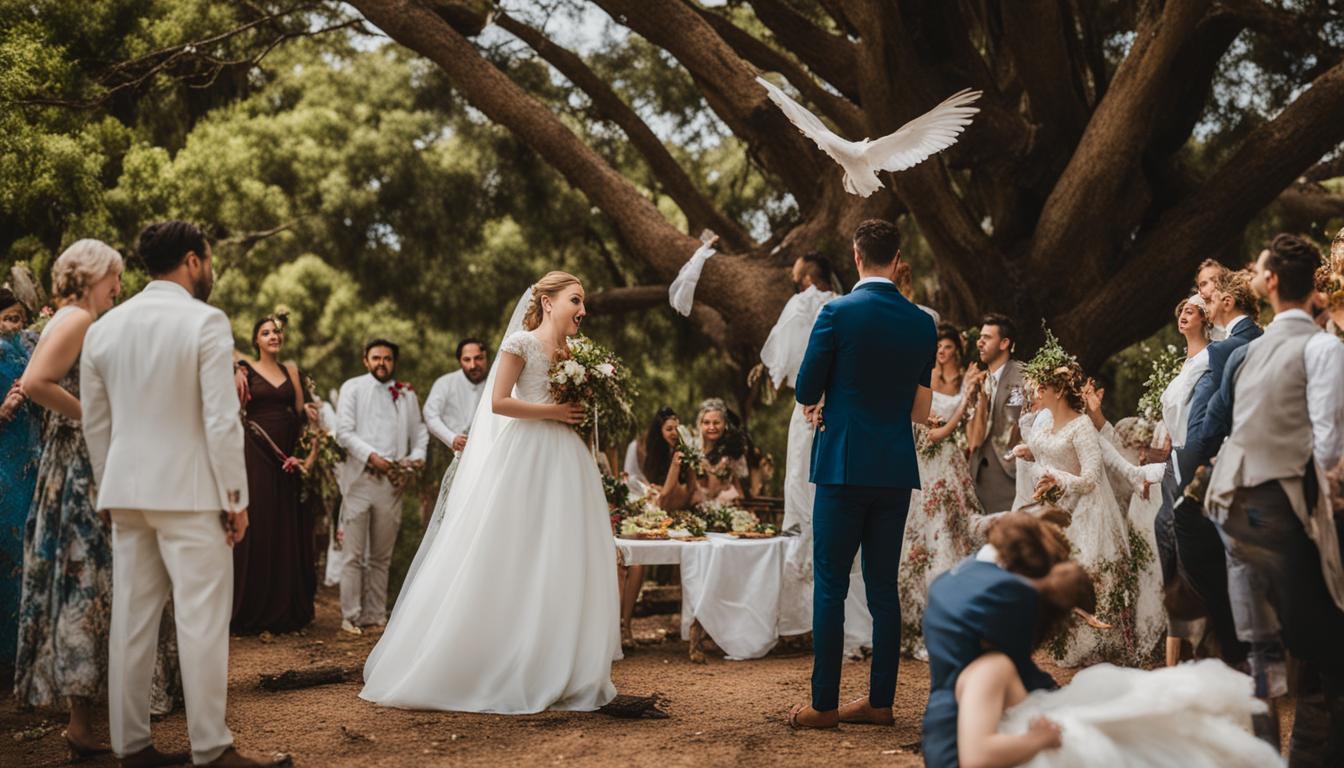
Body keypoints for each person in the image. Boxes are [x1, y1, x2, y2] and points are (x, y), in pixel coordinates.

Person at [361, 271, 620, 714]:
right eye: (576, 300)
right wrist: (555, 410)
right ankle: (496, 655)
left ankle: (563, 661)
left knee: (563, 554)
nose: (583, 310)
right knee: (512, 552)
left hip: (568, 460)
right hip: (527, 454)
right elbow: (499, 402)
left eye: (584, 303)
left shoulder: (577, 352)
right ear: (549, 301)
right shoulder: (520, 343)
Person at [82, 222, 286, 767]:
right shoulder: (205, 321)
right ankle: (212, 748)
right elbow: (221, 420)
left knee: (131, 620)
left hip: (126, 492)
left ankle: (132, 746)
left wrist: (107, 491)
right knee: (201, 618)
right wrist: (236, 499)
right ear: (193, 261)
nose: (210, 269)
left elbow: (96, 426)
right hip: (192, 493)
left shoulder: (104, 329)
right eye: (209, 260)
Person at [788, 218, 935, 729]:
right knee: (882, 589)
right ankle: (880, 702)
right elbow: (920, 410)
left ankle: (824, 705)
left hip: (843, 466)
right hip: (894, 470)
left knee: (830, 584)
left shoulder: (836, 313)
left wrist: (824, 399)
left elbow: (807, 389)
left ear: (855, 256)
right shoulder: (922, 323)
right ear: (897, 259)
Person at [1204, 234, 1344, 761]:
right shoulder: (1323, 346)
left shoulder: (1247, 350)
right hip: (1281, 510)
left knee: (1261, 651)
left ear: (1272, 281)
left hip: (1229, 508)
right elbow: (1327, 443)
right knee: (1321, 650)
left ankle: (1264, 753)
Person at [12, 240, 124, 760]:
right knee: (86, 582)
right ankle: (81, 723)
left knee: (85, 582)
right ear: (94, 275)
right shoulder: (77, 319)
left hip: (73, 462)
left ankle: (84, 720)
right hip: (81, 467)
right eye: (114, 277)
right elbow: (35, 382)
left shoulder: (66, 318)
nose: (118, 288)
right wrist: (95, 417)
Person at [1014, 351, 1159, 667]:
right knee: (1051, 572)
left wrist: (1057, 478)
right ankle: (1061, 640)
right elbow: (1045, 453)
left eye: (1042, 388)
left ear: (1059, 390)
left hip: (1085, 511)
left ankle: (1093, 645)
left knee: (1088, 573)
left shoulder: (1080, 426)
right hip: (1052, 508)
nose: (1036, 393)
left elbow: (1091, 479)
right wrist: (1028, 452)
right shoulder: (1044, 424)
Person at [921, 510, 1072, 767]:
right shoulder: (1009, 596)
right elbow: (1018, 663)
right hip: (970, 733)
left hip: (939, 723)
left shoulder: (948, 581)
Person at [1172, 268, 1262, 670]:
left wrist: (1193, 463)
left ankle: (1230, 646)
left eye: (1210, 300)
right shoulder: (1263, 337)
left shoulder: (1224, 351)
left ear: (1228, 302)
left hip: (1224, 464)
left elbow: (1207, 421)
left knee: (1188, 529)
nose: (1205, 305)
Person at [899, 324, 987, 658]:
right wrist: (962, 403)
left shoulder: (966, 378)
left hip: (948, 468)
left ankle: (958, 624)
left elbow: (968, 427)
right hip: (923, 464)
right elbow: (928, 432)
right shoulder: (920, 380)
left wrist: (970, 396)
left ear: (956, 350)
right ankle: (919, 624)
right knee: (921, 541)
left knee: (950, 537)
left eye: (947, 346)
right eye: (938, 346)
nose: (941, 351)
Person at [333, 339, 428, 635]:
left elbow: (420, 432)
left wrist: (414, 459)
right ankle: (350, 615)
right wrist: (372, 456)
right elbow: (343, 432)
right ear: (366, 360)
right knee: (353, 554)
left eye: (387, 358)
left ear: (393, 362)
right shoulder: (352, 388)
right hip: (360, 479)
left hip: (391, 483)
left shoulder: (406, 394)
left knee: (380, 556)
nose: (381, 363)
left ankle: (374, 616)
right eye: (376, 358)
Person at [230, 315, 317, 635]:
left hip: (287, 455)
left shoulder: (291, 371)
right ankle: (249, 608)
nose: (272, 336)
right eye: (265, 332)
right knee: (260, 521)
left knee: (285, 522)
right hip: (255, 451)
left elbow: (297, 411)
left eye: (277, 332)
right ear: (256, 340)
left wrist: (307, 415)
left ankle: (285, 608)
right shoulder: (242, 366)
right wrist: (235, 368)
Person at [1155, 294, 1212, 664]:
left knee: (1186, 544)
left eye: (1189, 310)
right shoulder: (1184, 365)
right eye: (1180, 311)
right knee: (1166, 538)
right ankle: (1177, 648)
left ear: (1206, 317)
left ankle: (1201, 646)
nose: (1182, 315)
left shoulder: (1211, 359)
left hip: (1192, 461)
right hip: (1172, 461)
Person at [0, 289, 39, 674]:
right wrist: (4, 409)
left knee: (28, 551)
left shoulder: (28, 350)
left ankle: (25, 655)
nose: (14, 326)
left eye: (18, 319)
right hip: (2, 466)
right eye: (8, 318)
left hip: (30, 461)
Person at [967, 314, 1025, 515]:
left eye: (987, 337)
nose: (980, 342)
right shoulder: (979, 380)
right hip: (978, 474)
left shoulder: (1022, 377)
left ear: (1004, 343)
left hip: (1009, 475)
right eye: (980, 337)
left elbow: (1020, 422)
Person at [423, 337, 489, 454]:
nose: (473, 365)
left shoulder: (495, 384)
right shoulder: (444, 383)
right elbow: (430, 415)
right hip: (448, 451)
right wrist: (452, 438)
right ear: (459, 361)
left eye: (478, 358)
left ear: (486, 358)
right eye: (467, 360)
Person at [695, 398, 747, 502]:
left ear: (725, 425)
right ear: (700, 425)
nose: (711, 427)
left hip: (725, 504)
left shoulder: (733, 451)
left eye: (716, 423)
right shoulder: (693, 450)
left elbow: (739, 489)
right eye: (706, 423)